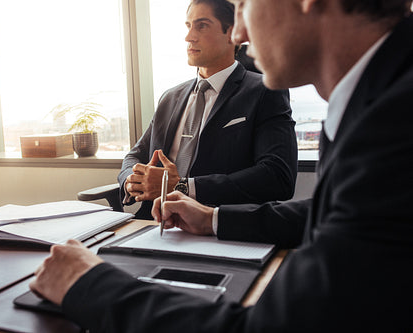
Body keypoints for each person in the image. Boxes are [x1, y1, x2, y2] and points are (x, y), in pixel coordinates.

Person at [30, 0, 413, 331]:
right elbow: (333, 212)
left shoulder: (392, 126)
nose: (241, 32)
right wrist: (213, 218)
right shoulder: (376, 104)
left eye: (245, 4)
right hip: (159, 230)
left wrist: (89, 285)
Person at [119, 0, 297, 219]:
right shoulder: (170, 97)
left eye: (201, 26)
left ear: (232, 32)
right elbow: (135, 155)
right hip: (152, 223)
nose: (189, 37)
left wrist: (183, 187)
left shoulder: (265, 91)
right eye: (188, 26)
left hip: (216, 226)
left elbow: (277, 177)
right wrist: (132, 180)